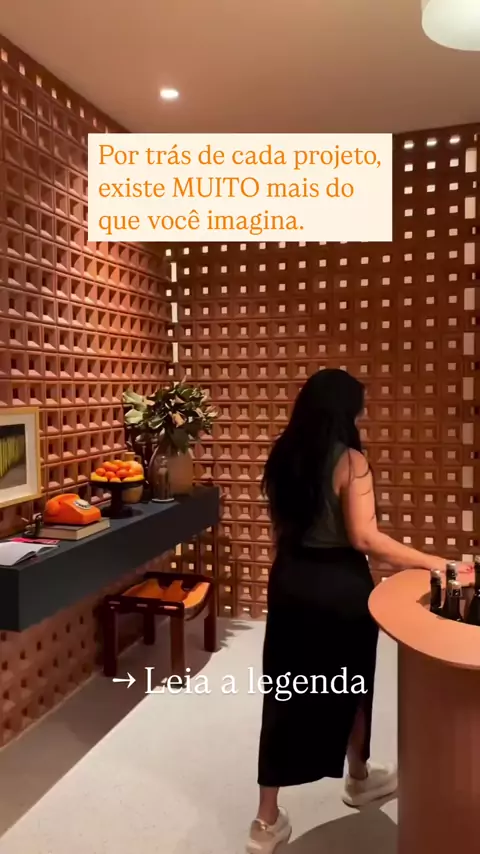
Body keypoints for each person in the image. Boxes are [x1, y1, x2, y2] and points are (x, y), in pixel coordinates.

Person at [246, 368, 472, 854]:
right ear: (344, 411)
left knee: (283, 692)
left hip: (289, 582)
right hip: (338, 587)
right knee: (352, 684)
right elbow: (366, 540)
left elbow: (284, 528)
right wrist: (436, 561)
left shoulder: (283, 455)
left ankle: (265, 821)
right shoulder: (351, 461)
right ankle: (359, 777)